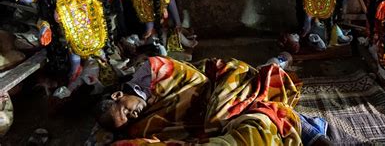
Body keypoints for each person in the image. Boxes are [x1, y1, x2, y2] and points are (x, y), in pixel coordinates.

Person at [92, 56, 330, 145]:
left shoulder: (153, 70)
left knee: (238, 105)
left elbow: (194, 82)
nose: (132, 117)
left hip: (218, 89)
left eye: (124, 112)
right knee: (258, 116)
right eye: (124, 122)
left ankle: (279, 61)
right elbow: (166, 131)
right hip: (216, 117)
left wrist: (213, 111)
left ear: (117, 96)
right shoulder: (141, 124)